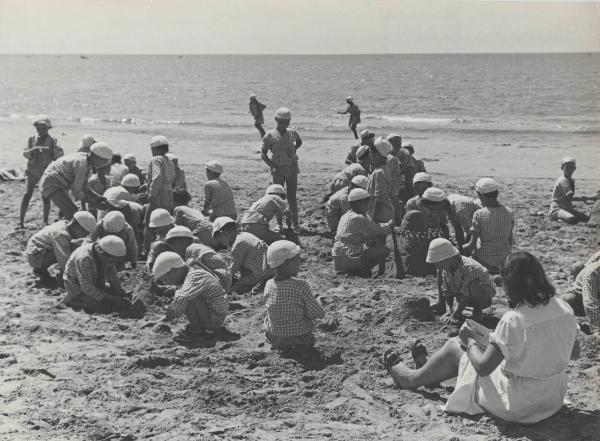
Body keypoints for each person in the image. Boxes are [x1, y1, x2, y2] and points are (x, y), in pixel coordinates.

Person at [383, 251, 580, 424]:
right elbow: (574, 353)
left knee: (455, 346)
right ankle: (431, 373)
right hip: (551, 397)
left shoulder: (514, 320)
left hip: (519, 404)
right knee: (490, 349)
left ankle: (409, 379)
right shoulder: (564, 308)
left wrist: (470, 341)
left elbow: (483, 368)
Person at [152, 251, 229, 344]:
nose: (167, 283)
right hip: (213, 312)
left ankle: (197, 332)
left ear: (174, 271)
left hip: (215, 319)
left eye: (165, 280)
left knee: (188, 296)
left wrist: (166, 317)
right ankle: (198, 326)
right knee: (184, 292)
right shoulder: (190, 271)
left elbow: (182, 297)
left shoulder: (194, 277)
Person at [263, 240, 325, 350]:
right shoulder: (301, 285)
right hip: (299, 339)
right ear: (287, 263)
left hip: (274, 338)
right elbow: (316, 314)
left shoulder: (268, 284)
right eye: (297, 260)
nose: (299, 263)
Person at [426, 238, 496, 323]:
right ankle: (452, 310)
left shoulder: (471, 268)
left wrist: (456, 314)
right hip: (463, 296)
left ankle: (478, 313)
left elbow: (466, 295)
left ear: (447, 259)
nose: (436, 266)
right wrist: (449, 312)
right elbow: (447, 291)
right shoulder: (446, 269)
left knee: (475, 285)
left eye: (437, 263)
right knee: (446, 281)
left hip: (483, 298)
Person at [39, 142, 112, 220]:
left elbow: (84, 185)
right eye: (104, 161)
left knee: (72, 213)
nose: (104, 164)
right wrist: (95, 204)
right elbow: (76, 191)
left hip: (56, 180)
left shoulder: (86, 159)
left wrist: (98, 197)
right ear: (97, 157)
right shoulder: (82, 164)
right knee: (72, 214)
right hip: (51, 183)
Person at [332, 188, 394, 276]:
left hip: (338, 257)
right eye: (367, 203)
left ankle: (352, 269)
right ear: (360, 203)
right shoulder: (357, 218)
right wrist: (390, 224)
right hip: (348, 257)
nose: (368, 206)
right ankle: (359, 270)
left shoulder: (345, 215)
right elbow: (379, 230)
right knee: (384, 250)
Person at [62, 235, 131, 314]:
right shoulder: (84, 258)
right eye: (112, 260)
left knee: (114, 295)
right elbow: (86, 287)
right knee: (104, 307)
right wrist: (113, 299)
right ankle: (71, 300)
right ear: (102, 253)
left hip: (94, 281)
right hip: (76, 286)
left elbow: (113, 277)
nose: (113, 263)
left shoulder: (107, 254)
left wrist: (121, 292)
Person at [25, 211, 97, 285]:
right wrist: (75, 278)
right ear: (78, 227)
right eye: (84, 233)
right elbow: (64, 260)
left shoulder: (64, 225)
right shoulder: (60, 234)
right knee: (67, 252)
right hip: (35, 256)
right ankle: (40, 270)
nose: (84, 236)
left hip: (39, 250)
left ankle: (43, 270)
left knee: (73, 246)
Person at [261, 107, 303, 229]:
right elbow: (263, 153)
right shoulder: (269, 136)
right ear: (276, 120)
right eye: (281, 122)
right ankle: (279, 224)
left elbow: (299, 141)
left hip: (292, 168)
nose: (284, 124)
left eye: (287, 122)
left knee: (291, 197)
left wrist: (293, 150)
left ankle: (295, 223)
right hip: (278, 169)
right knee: (277, 198)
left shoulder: (292, 133)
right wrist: (272, 165)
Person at [20, 114, 64, 228]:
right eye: (38, 128)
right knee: (27, 194)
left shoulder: (53, 140)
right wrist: (33, 149)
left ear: (48, 128)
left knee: (45, 196)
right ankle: (21, 221)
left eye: (43, 128)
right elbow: (25, 153)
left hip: (45, 171)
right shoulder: (31, 139)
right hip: (32, 170)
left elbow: (59, 155)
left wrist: (51, 151)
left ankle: (45, 221)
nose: (40, 131)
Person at [463, 178, 514, 274]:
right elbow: (510, 240)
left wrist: (459, 249)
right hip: (504, 260)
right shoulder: (509, 212)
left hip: (485, 261)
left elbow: (471, 245)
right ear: (497, 193)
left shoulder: (479, 214)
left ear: (481, 195)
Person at [212, 216, 272, 295]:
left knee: (233, 289)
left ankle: (260, 284)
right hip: (269, 266)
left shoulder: (238, 244)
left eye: (221, 241)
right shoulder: (244, 235)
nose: (223, 244)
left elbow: (232, 270)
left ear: (225, 234)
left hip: (262, 272)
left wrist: (221, 278)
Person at [144, 135, 176, 253]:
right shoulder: (170, 161)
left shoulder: (156, 160)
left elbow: (157, 178)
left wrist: (152, 194)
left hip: (159, 194)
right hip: (168, 194)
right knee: (165, 222)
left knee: (148, 224)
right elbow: (173, 179)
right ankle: (169, 247)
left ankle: (146, 251)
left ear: (155, 149)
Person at [562, 260, 600, 336]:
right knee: (568, 299)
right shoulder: (593, 273)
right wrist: (596, 330)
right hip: (580, 302)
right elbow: (590, 302)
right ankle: (563, 323)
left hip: (597, 296)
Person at [549, 157, 591, 224]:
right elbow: (570, 197)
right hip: (557, 209)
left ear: (574, 169)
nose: (569, 170)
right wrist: (589, 197)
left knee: (586, 218)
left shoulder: (571, 180)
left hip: (568, 208)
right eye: (567, 167)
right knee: (571, 218)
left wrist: (585, 199)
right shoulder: (563, 181)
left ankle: (563, 218)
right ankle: (556, 218)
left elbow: (569, 198)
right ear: (562, 168)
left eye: (571, 168)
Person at [386, 134, 415, 202]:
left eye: (399, 145)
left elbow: (409, 175)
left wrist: (410, 192)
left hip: (400, 186)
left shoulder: (405, 154)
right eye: (396, 145)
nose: (398, 148)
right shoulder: (383, 152)